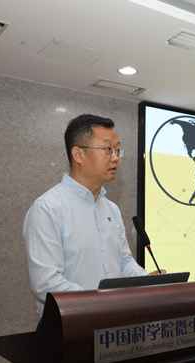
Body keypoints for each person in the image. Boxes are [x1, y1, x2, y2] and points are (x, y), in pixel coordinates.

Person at [23, 114, 159, 317]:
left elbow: (124, 262)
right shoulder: (47, 208)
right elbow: (46, 283)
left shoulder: (112, 209)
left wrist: (148, 282)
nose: (116, 157)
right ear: (78, 155)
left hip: (114, 322)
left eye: (118, 150)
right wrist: (103, 301)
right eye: (108, 149)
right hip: (69, 325)